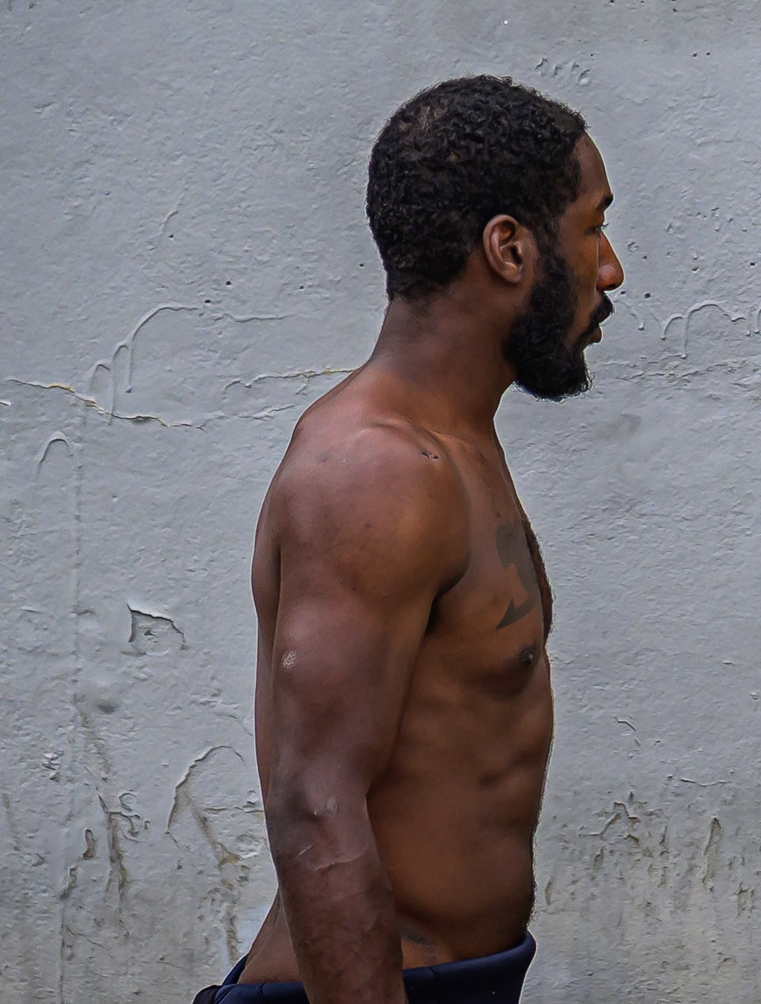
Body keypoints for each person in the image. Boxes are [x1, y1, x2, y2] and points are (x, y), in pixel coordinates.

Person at [198, 77, 624, 1004]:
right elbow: (316, 804)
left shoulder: (455, 443)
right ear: (510, 248)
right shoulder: (376, 471)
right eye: (592, 229)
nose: (612, 269)